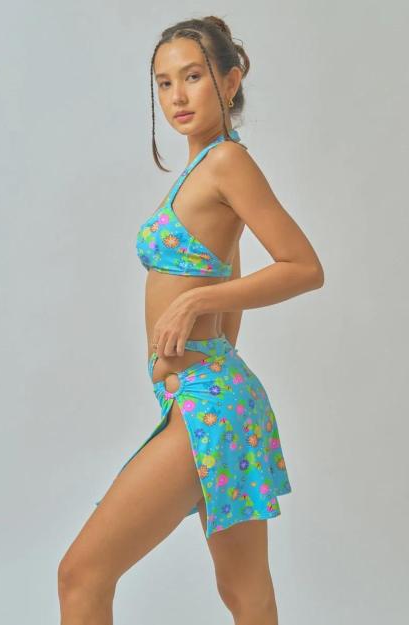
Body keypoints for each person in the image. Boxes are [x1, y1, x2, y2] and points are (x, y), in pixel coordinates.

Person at [58, 15, 324, 625]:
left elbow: (304, 267)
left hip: (210, 405)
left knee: (81, 576)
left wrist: (194, 304)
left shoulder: (227, 162)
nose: (176, 96)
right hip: (211, 397)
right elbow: (228, 276)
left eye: (194, 77)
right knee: (246, 594)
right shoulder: (203, 169)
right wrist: (209, 327)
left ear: (230, 82)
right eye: (163, 83)